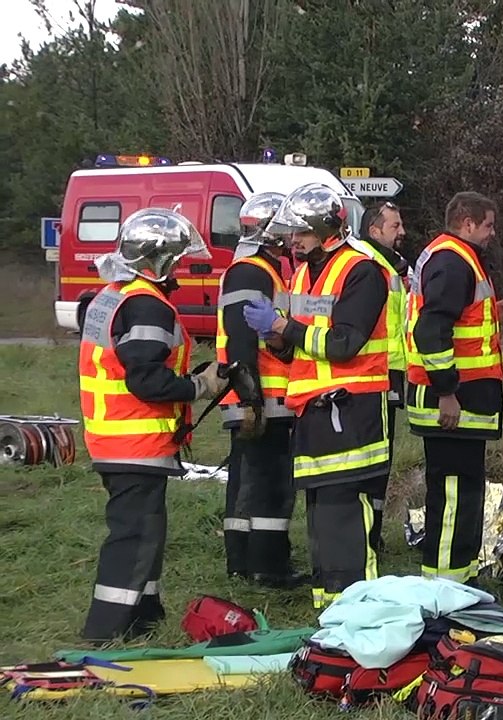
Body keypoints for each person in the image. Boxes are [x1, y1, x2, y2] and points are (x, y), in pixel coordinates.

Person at [78, 208, 228, 643]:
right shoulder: (146, 304)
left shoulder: (115, 294)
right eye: (176, 259)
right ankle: (104, 633)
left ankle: (145, 617)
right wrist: (200, 385)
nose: (179, 267)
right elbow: (146, 378)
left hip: (116, 438)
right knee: (135, 537)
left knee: (147, 531)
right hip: (134, 441)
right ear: (157, 261)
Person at [243, 182, 391, 609]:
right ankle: (329, 608)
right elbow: (297, 344)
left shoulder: (361, 271)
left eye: (300, 232)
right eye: (290, 233)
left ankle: (358, 606)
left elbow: (345, 343)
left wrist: (284, 327)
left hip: (352, 407)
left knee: (345, 511)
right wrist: (273, 335)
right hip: (313, 409)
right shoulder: (305, 271)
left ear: (326, 230)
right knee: (322, 511)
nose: (292, 240)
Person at [404, 191, 503, 584]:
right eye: (488, 225)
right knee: (451, 496)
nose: (492, 234)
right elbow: (431, 330)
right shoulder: (453, 261)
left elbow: (456, 321)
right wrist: (446, 391)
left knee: (463, 494)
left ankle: (460, 578)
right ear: (467, 223)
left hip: (461, 403)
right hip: (451, 404)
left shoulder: (452, 258)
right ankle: (444, 584)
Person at [215, 191, 304, 588]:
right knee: (271, 482)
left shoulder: (255, 269)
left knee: (246, 478)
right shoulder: (253, 271)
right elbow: (242, 336)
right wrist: (252, 397)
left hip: (256, 393)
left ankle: (242, 560)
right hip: (264, 395)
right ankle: (269, 566)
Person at [351, 200, 410, 553]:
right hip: (373, 374)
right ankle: (365, 534)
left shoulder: (388, 266)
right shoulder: (369, 266)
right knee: (372, 459)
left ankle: (371, 532)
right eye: (395, 226)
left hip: (388, 372)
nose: (402, 232)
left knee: (381, 459)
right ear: (374, 231)